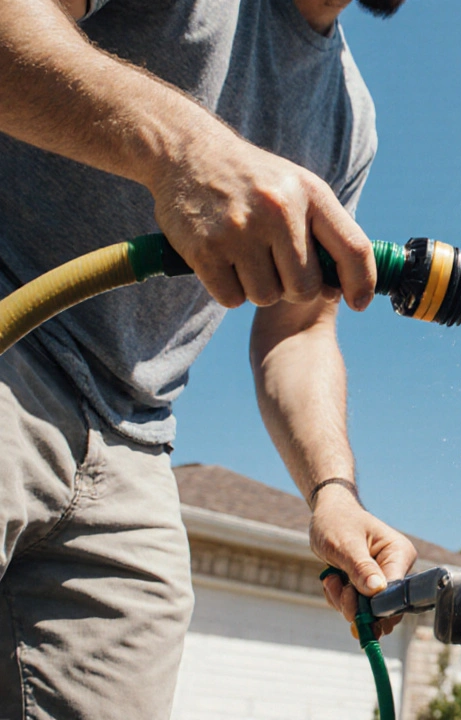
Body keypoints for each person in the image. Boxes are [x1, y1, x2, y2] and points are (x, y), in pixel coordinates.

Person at [0, 0, 419, 716]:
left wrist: (332, 492)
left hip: (132, 442)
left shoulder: (350, 120)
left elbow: (298, 331)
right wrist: (179, 148)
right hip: (15, 348)